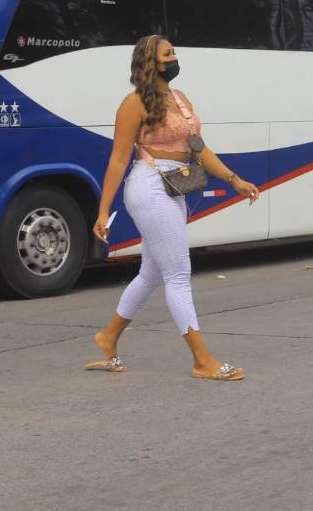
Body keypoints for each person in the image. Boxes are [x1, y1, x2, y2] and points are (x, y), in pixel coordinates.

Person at [85, 34, 260, 381]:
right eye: (168, 53)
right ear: (151, 62)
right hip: (149, 186)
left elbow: (198, 149)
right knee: (178, 274)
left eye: (174, 51)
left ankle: (108, 337)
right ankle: (202, 360)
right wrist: (103, 211)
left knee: (152, 273)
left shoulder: (179, 99)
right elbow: (118, 160)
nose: (175, 57)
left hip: (175, 186)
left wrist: (234, 179)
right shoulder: (133, 104)